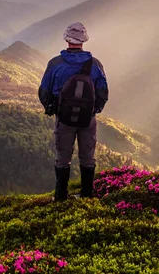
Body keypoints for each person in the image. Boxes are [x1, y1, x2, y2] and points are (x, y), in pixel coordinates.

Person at [38, 22, 109, 201]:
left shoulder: (55, 64)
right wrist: (94, 110)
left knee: (63, 157)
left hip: (64, 119)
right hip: (88, 119)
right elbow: (103, 92)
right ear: (83, 40)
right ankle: (86, 195)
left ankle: (60, 196)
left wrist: (51, 108)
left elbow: (44, 91)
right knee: (87, 157)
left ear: (67, 39)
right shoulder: (95, 64)